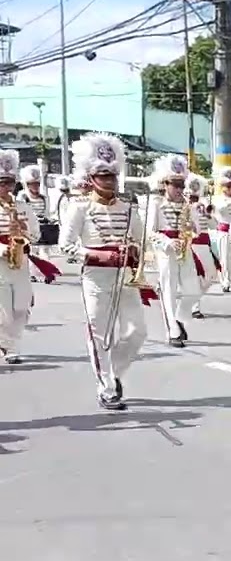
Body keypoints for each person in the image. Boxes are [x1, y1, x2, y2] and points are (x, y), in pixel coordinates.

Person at [58, 132, 152, 410]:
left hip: (124, 277)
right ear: (91, 178)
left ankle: (114, 373)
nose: (110, 181)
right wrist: (97, 253)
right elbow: (65, 247)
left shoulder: (129, 208)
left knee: (137, 332)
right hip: (96, 278)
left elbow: (141, 239)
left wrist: (134, 251)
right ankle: (107, 388)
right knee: (99, 334)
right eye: (104, 176)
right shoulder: (79, 208)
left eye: (113, 176)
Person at [147, 155, 203, 348]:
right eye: (175, 184)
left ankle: (179, 317)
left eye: (181, 184)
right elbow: (150, 232)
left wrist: (192, 228)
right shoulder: (155, 204)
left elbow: (198, 230)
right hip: (166, 250)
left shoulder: (188, 205)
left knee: (192, 291)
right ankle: (173, 330)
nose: (179, 189)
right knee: (169, 290)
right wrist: (167, 242)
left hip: (185, 248)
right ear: (165, 184)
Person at [0, 150, 43, 364]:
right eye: (2, 183)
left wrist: (25, 231)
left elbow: (36, 234)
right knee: (3, 309)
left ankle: (10, 342)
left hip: (21, 261)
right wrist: (2, 249)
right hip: (0, 262)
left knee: (22, 306)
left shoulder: (23, 206)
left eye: (9, 183)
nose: (6, 188)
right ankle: (9, 346)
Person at [184, 174, 217, 319]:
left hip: (204, 244)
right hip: (191, 244)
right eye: (191, 197)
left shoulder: (202, 207)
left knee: (211, 276)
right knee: (195, 276)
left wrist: (208, 215)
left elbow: (213, 226)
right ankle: (194, 306)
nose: (193, 200)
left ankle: (192, 298)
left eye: (195, 197)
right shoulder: (183, 208)